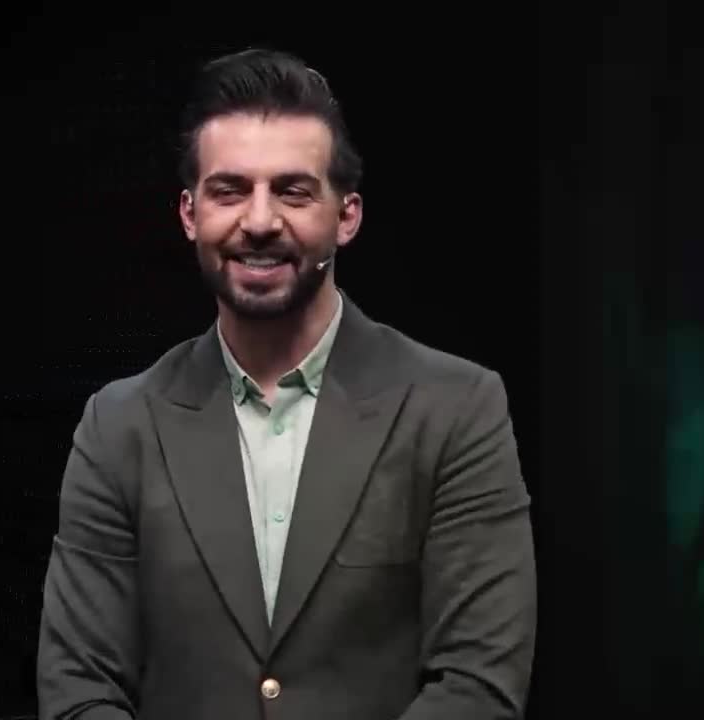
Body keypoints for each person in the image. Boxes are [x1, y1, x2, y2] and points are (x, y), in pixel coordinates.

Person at [37, 47, 537, 719]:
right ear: (190, 214)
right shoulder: (119, 426)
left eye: (293, 191)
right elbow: (78, 687)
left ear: (347, 215)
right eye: (229, 190)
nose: (260, 221)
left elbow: (479, 684)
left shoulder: (454, 409)